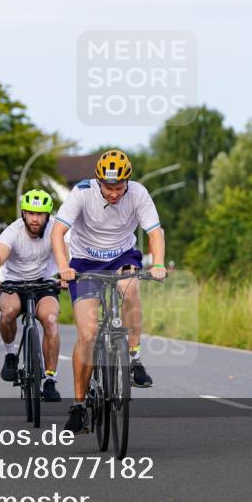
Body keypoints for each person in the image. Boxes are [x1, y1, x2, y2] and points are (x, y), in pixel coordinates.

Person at [51, 150, 166, 433]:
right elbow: (57, 232)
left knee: (130, 289)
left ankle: (135, 358)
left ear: (127, 181)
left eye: (118, 188)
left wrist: (159, 263)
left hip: (122, 257)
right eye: (108, 188)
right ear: (98, 181)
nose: (114, 194)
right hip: (83, 262)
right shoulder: (81, 193)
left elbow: (155, 233)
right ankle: (79, 406)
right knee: (88, 334)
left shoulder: (138, 193)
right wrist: (64, 267)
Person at [0, 189, 62, 402]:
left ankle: (50, 380)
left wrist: (67, 275)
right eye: (30, 213)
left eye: (40, 214)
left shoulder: (56, 229)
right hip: (13, 283)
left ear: (47, 215)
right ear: (23, 214)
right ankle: (10, 354)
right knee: (8, 312)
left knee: (51, 320)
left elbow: (67, 254)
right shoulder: (12, 232)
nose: (35, 219)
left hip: (45, 283)